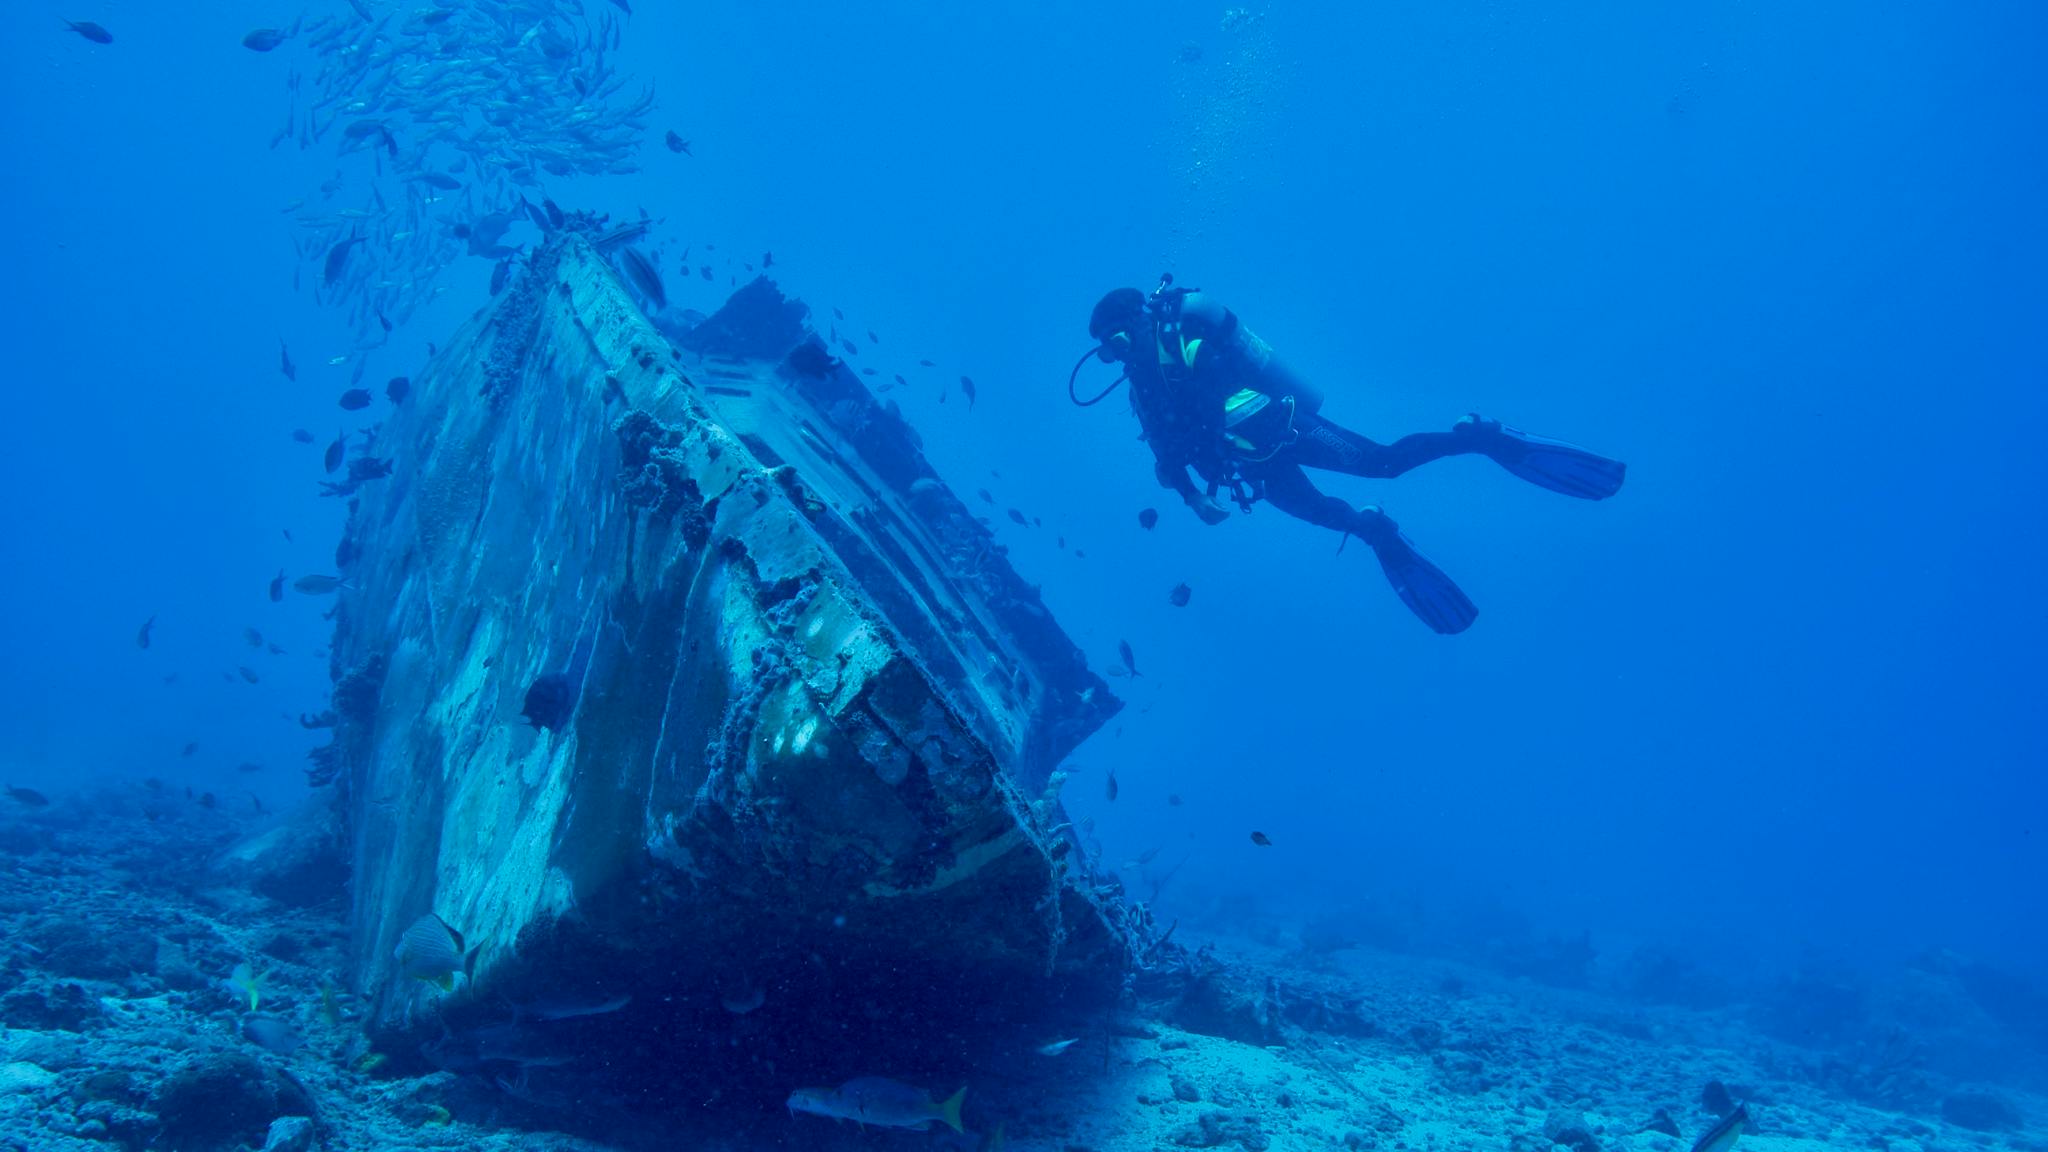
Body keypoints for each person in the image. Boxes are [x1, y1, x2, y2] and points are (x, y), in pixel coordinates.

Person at [1076, 278, 1626, 634]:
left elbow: (1222, 377)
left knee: (1382, 463)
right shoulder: (1142, 389)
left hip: (1286, 430)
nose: (1117, 357)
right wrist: (1196, 498)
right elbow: (1168, 459)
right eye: (1108, 352)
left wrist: (1206, 406)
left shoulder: (1181, 338)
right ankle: (1376, 531)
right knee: (1326, 514)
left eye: (1118, 341)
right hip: (1254, 468)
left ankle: (1482, 437)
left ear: (1139, 321)